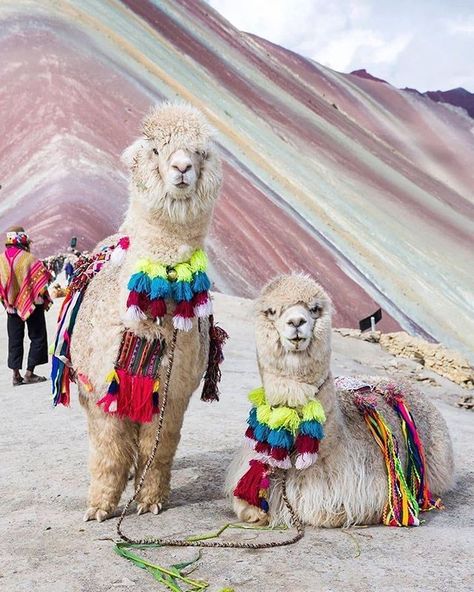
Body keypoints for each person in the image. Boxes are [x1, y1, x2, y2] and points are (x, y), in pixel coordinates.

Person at [0, 226, 52, 386]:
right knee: (37, 336)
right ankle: (30, 372)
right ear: (23, 241)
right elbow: (42, 280)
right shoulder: (29, 259)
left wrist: (7, 300)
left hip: (11, 307)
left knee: (14, 339)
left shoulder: (1, 260)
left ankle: (16, 375)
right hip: (32, 305)